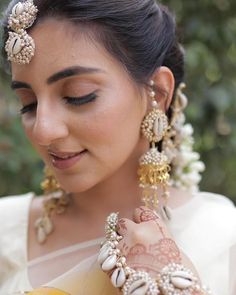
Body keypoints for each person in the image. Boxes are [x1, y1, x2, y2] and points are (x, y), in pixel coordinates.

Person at [0, 0, 235, 294]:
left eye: (78, 96)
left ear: (158, 93)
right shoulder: (5, 230)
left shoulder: (220, 236)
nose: (43, 130)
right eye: (29, 104)